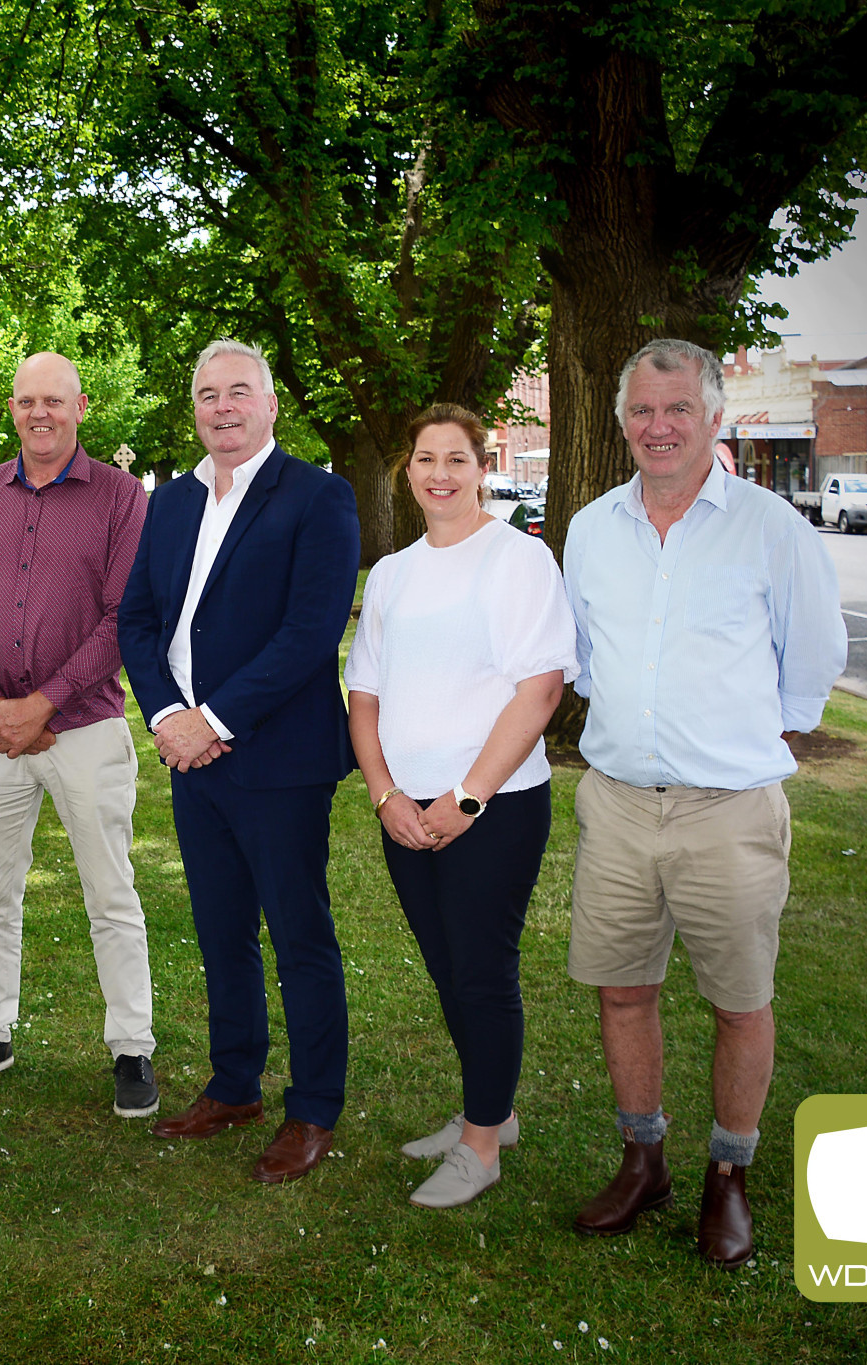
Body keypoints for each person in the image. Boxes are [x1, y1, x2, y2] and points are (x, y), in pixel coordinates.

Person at [564, 339, 846, 1267]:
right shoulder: (593, 527)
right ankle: (643, 1158)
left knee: (740, 1000)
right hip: (616, 805)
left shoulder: (772, 528)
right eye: (642, 410)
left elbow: (810, 663)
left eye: (678, 408)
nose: (659, 426)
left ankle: (728, 1175)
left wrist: (760, 740)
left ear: (715, 417)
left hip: (730, 811)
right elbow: (585, 657)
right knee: (622, 989)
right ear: (621, 421)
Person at [118, 338, 361, 1184]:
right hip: (192, 756)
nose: (221, 407)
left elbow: (309, 631)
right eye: (207, 395)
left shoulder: (318, 497)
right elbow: (138, 620)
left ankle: (313, 1107)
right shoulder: (173, 501)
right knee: (222, 931)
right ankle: (234, 1084)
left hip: (278, 759)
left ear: (269, 405)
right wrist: (167, 716)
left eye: (238, 392)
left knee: (299, 935)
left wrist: (214, 717)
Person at [345, 404, 576, 1209]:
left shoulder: (517, 560)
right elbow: (363, 693)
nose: (438, 473)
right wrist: (384, 795)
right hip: (405, 813)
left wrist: (466, 798)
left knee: (480, 971)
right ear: (406, 470)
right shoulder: (394, 572)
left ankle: (482, 1147)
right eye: (423, 459)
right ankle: (494, 1109)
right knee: (447, 967)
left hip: (495, 809)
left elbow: (540, 688)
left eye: (456, 458)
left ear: (483, 466)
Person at [0, 351, 157, 1116]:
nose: (41, 413)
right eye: (28, 400)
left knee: (111, 892)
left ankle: (132, 1046)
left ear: (81, 407)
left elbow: (125, 616)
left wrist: (44, 704)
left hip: (85, 730)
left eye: (55, 401)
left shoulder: (123, 497)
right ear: (11, 408)